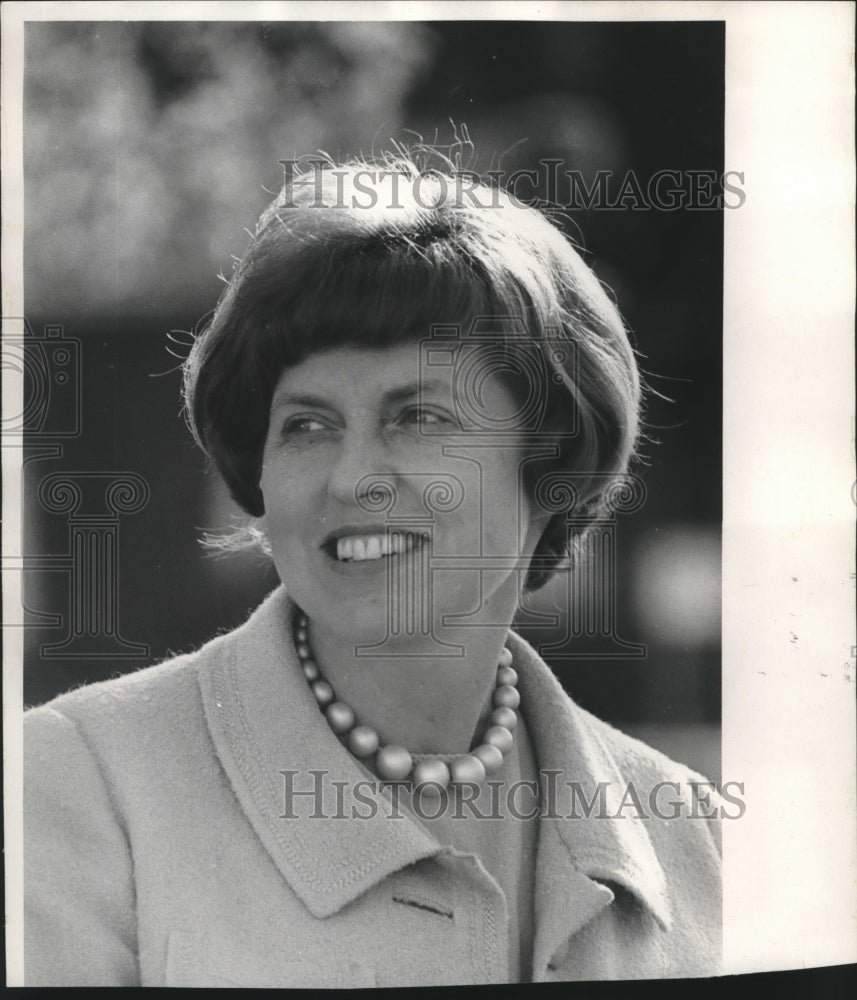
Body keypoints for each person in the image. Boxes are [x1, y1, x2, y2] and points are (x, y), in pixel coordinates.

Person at [24, 154, 722, 986]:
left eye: (418, 415)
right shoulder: (78, 784)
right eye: (308, 426)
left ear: (548, 465)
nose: (352, 475)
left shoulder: (682, 829)